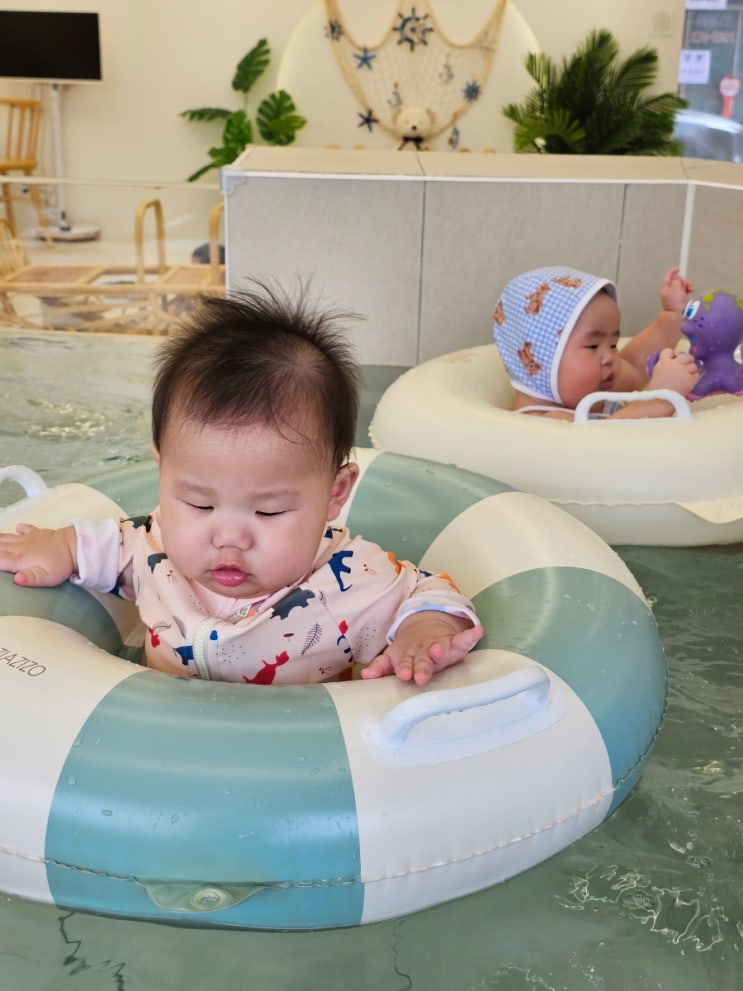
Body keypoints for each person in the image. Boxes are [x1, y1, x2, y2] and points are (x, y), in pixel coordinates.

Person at [0, 283, 482, 687]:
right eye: (198, 503)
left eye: (268, 511)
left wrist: (426, 627)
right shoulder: (152, 547)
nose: (228, 537)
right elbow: (103, 547)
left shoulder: (352, 580)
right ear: (162, 471)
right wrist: (60, 546)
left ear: (335, 493)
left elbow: (429, 591)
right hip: (156, 734)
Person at [493, 265, 700, 420]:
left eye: (613, 344)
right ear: (543, 357)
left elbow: (637, 365)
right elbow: (601, 445)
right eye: (593, 346)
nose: (610, 357)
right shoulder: (539, 421)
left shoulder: (592, 388)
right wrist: (660, 401)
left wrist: (673, 314)